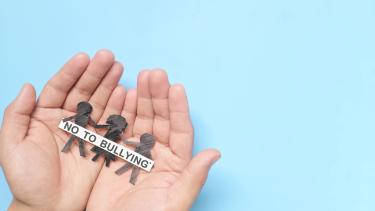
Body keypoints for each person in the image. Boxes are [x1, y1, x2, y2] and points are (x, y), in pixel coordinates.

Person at [0, 49, 221, 211]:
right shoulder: (83, 119)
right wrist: (35, 207)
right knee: (97, 152)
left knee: (110, 158)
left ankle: (102, 157)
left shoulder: (128, 140)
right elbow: (101, 129)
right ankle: (101, 157)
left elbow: (118, 138)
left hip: (115, 148)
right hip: (103, 142)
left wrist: (34, 208)